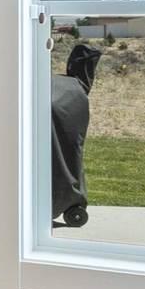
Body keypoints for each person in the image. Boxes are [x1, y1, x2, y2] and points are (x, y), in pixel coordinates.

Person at [50, 41, 102, 227]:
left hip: (58, 112)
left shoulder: (62, 85)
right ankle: (67, 197)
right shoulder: (73, 88)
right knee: (69, 156)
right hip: (64, 115)